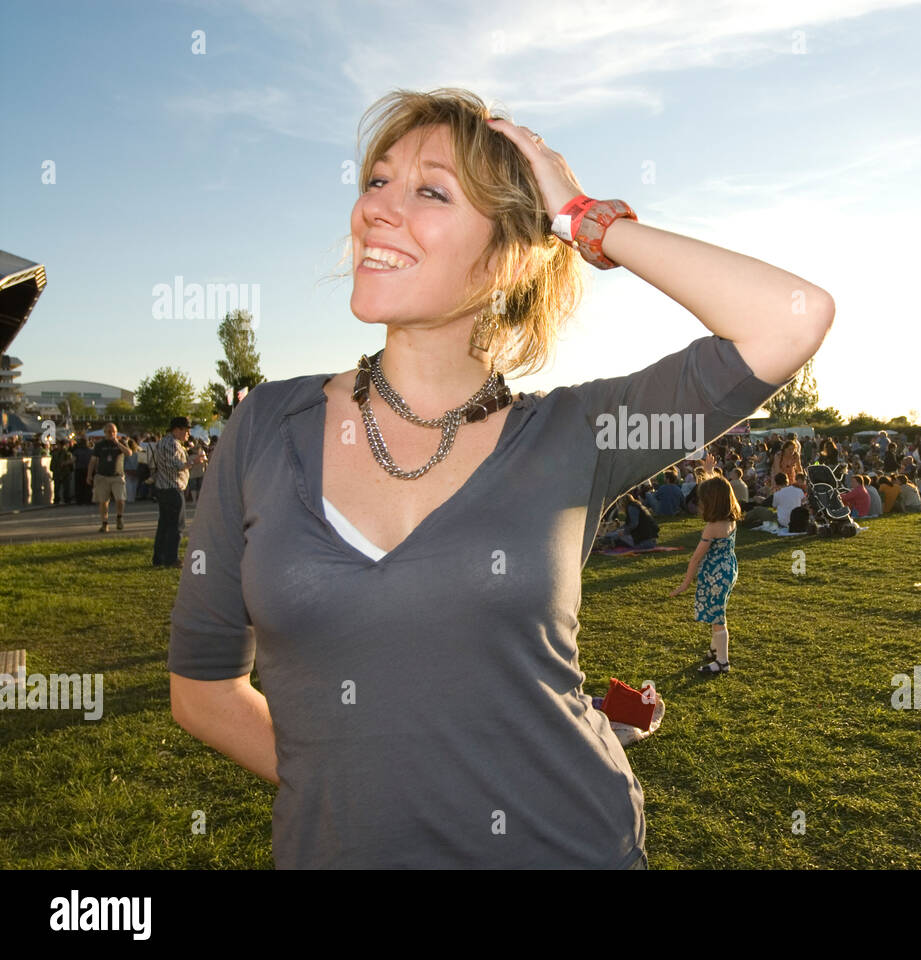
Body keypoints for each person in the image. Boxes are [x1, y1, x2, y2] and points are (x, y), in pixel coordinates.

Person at [166, 88, 833, 870]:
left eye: (430, 191)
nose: (376, 209)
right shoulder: (265, 427)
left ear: (507, 256)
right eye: (377, 182)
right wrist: (363, 789)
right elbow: (202, 688)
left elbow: (792, 318)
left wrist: (587, 219)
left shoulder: (576, 433)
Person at [670, 477, 742, 674]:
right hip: (728, 570)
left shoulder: (712, 528)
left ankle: (722, 661)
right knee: (717, 611)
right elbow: (720, 487)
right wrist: (710, 473)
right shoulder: (730, 519)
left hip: (715, 575)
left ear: (711, 502)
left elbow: (695, 559)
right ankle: (715, 649)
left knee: (718, 617)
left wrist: (684, 584)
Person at [152, 416, 198, 566]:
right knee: (176, 525)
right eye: (186, 430)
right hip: (172, 488)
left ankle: (159, 558)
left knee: (164, 525)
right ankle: (172, 558)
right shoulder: (172, 443)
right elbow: (177, 465)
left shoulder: (162, 442)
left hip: (163, 487)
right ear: (177, 429)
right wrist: (193, 461)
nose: (188, 434)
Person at [87, 422, 131, 532]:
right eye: (109, 432)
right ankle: (104, 523)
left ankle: (119, 517)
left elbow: (129, 453)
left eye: (114, 432)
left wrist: (118, 443)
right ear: (105, 433)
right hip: (102, 476)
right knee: (103, 501)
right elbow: (93, 461)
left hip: (117, 476)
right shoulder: (99, 445)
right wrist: (89, 475)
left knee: (120, 499)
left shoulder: (122, 442)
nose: (112, 434)